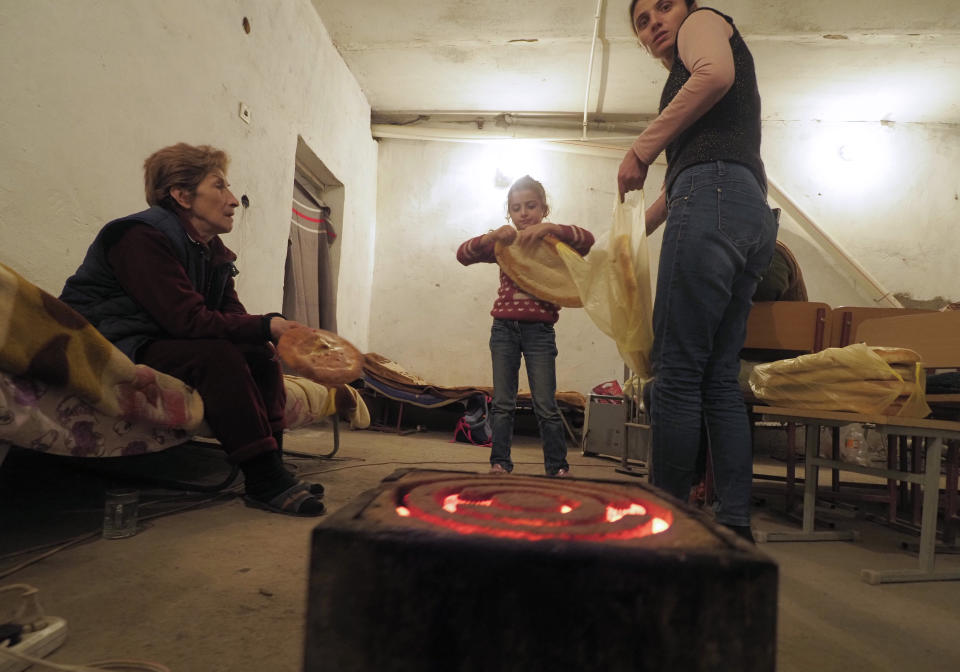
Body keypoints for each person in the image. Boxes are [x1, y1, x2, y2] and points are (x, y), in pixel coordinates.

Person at [60, 142, 332, 516]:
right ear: (182, 195)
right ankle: (264, 479)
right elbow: (186, 320)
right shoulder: (139, 237)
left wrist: (272, 332)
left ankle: (273, 467)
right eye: (219, 186)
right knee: (215, 357)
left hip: (159, 338)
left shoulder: (212, 252)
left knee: (259, 354)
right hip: (111, 341)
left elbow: (233, 320)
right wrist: (269, 323)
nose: (234, 200)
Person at [617, 1, 778, 541]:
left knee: (677, 372)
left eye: (664, 6)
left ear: (686, 7)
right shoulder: (693, 95)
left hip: (712, 195)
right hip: (746, 207)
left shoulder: (703, 23)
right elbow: (683, 181)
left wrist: (640, 149)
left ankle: (665, 521)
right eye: (642, 21)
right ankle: (733, 523)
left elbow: (716, 74)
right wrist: (625, 236)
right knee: (717, 380)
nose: (656, 21)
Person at [456, 175, 594, 477]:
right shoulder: (505, 244)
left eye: (531, 206)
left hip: (540, 332)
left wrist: (553, 229)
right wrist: (491, 236)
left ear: (543, 208)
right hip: (503, 329)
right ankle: (500, 463)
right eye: (516, 208)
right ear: (509, 212)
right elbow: (462, 255)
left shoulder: (554, 242)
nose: (523, 213)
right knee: (503, 402)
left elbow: (588, 241)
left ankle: (557, 466)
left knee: (545, 403)